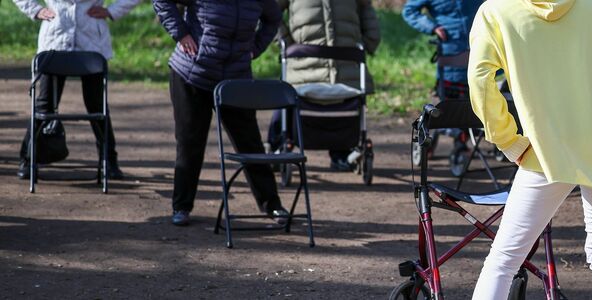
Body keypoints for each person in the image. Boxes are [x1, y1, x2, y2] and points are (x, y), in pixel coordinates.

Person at [468, 1, 592, 299]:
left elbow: (480, 82)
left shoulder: (496, 11)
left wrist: (508, 141)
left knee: (503, 260)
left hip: (545, 151)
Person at [152, 0, 285, 226]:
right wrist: (181, 34)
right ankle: (182, 206)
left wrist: (256, 48)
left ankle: (272, 204)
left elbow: (273, 18)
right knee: (190, 142)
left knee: (250, 143)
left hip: (236, 78)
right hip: (192, 73)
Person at [12, 0, 140, 180]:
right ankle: (28, 159)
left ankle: (109, 161)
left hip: (91, 43)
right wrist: (35, 10)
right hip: (55, 40)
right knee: (45, 105)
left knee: (97, 105)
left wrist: (113, 11)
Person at [268, 0, 380, 172]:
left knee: (346, 102)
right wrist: (288, 43)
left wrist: (369, 40)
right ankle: (276, 145)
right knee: (286, 97)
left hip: (345, 64)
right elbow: (270, 10)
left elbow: (365, 8)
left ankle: (342, 152)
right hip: (304, 65)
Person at [402, 0, 482, 153]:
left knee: (476, 95)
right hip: (450, 52)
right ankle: (445, 136)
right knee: (450, 97)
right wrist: (432, 27)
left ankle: (465, 136)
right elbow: (409, 11)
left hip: (478, 47)